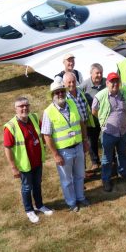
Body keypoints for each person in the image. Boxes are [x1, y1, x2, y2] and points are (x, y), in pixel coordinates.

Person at [41, 79, 90, 212]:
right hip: (64, 152)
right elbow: (47, 135)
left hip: (78, 146)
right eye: (57, 92)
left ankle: (80, 197)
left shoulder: (72, 103)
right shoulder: (48, 112)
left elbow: (81, 123)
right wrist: (56, 154)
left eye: (62, 91)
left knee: (80, 175)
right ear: (53, 95)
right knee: (67, 180)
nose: (61, 94)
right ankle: (71, 202)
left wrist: (85, 140)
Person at [3, 96, 52, 224]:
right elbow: (7, 148)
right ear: (15, 109)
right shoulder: (11, 126)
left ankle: (39, 205)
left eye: (26, 105)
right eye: (21, 106)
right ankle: (29, 210)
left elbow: (44, 132)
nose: (24, 108)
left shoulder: (34, 118)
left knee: (37, 184)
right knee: (26, 187)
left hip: (37, 161)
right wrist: (13, 167)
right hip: (24, 165)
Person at [92, 72, 126, 193]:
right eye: (112, 82)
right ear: (107, 83)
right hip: (109, 133)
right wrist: (104, 122)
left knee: (122, 153)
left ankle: (123, 173)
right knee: (107, 158)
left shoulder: (124, 92)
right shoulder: (100, 96)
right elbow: (94, 111)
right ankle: (106, 179)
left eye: (116, 81)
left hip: (123, 131)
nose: (114, 84)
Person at [63, 71, 96, 172]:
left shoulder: (80, 91)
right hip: (75, 127)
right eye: (69, 82)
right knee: (78, 151)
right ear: (64, 84)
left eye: (73, 81)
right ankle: (80, 174)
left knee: (85, 147)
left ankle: (83, 171)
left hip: (85, 124)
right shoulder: (64, 97)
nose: (72, 84)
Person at [81, 63, 106, 172]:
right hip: (92, 120)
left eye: (101, 73)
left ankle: (111, 158)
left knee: (106, 139)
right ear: (91, 73)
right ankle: (95, 162)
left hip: (105, 118)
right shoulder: (84, 86)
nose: (99, 75)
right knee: (92, 141)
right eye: (97, 73)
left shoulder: (106, 82)